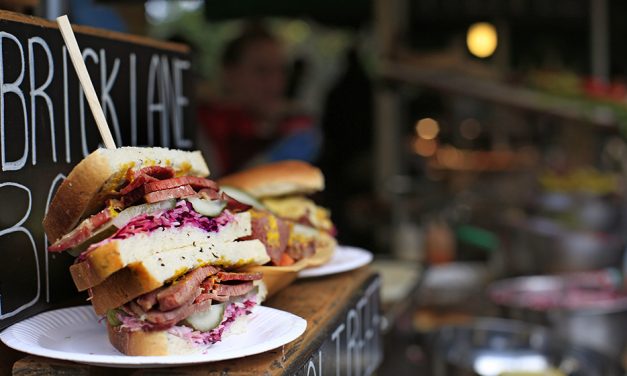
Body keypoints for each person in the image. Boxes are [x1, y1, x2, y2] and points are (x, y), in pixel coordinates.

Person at [198, 23, 320, 176]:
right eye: (261, 71)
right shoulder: (204, 127)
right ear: (229, 74)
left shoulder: (293, 124)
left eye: (281, 71)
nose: (275, 83)